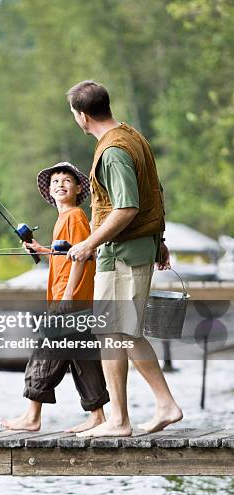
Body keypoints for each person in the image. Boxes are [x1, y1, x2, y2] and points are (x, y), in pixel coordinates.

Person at [65, 80, 182, 437]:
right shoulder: (132, 136)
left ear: (82, 116)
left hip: (120, 254)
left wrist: (88, 244)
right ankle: (126, 415)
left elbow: (128, 207)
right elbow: (153, 194)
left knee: (120, 332)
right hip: (133, 248)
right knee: (116, 331)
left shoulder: (113, 151)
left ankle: (146, 411)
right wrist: (158, 238)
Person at [0, 162, 109, 432]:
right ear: (49, 191)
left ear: (78, 188)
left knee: (44, 351)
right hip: (75, 300)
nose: (60, 184)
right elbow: (66, 253)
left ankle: (32, 416)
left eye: (67, 181)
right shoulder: (65, 219)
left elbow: (83, 256)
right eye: (55, 182)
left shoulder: (74, 217)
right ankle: (98, 415)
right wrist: (41, 249)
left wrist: (68, 296)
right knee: (83, 358)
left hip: (70, 299)